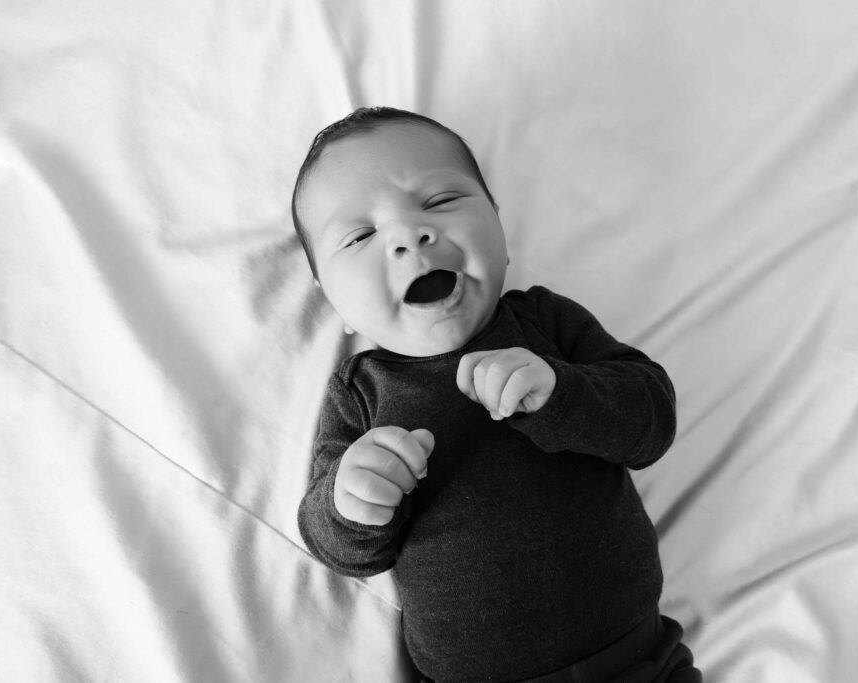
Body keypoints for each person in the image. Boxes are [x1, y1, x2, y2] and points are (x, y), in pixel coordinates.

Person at [293, 106, 701, 682]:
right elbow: (333, 544)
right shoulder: (362, 392)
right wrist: (351, 500)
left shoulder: (545, 323)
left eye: (439, 201)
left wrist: (563, 393)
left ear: (497, 219)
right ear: (328, 292)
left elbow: (651, 419)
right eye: (360, 235)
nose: (411, 234)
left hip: (642, 659)